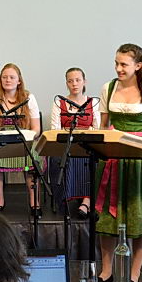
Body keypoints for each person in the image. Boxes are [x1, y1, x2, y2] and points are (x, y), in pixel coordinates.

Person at [95, 44, 142, 282]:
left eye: (124, 64)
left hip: (139, 159)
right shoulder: (108, 88)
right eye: (116, 63)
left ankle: (134, 274)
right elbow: (103, 126)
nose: (118, 68)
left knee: (139, 215)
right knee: (107, 218)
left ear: (138, 65)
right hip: (112, 159)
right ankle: (106, 272)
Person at [0, 63, 42, 214]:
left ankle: (34, 202)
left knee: (31, 163)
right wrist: (0, 135)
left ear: (19, 81)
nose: (8, 80)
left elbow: (36, 129)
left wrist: (26, 138)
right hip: (1, 140)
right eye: (4, 77)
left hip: (23, 139)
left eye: (11, 77)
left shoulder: (29, 98)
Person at [49, 67, 100, 218]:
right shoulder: (59, 103)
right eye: (70, 81)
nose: (74, 84)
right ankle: (64, 199)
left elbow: (97, 128)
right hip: (66, 143)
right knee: (60, 159)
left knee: (92, 159)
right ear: (66, 83)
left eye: (78, 80)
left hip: (87, 143)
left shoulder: (93, 102)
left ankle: (86, 201)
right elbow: (55, 129)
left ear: (84, 82)